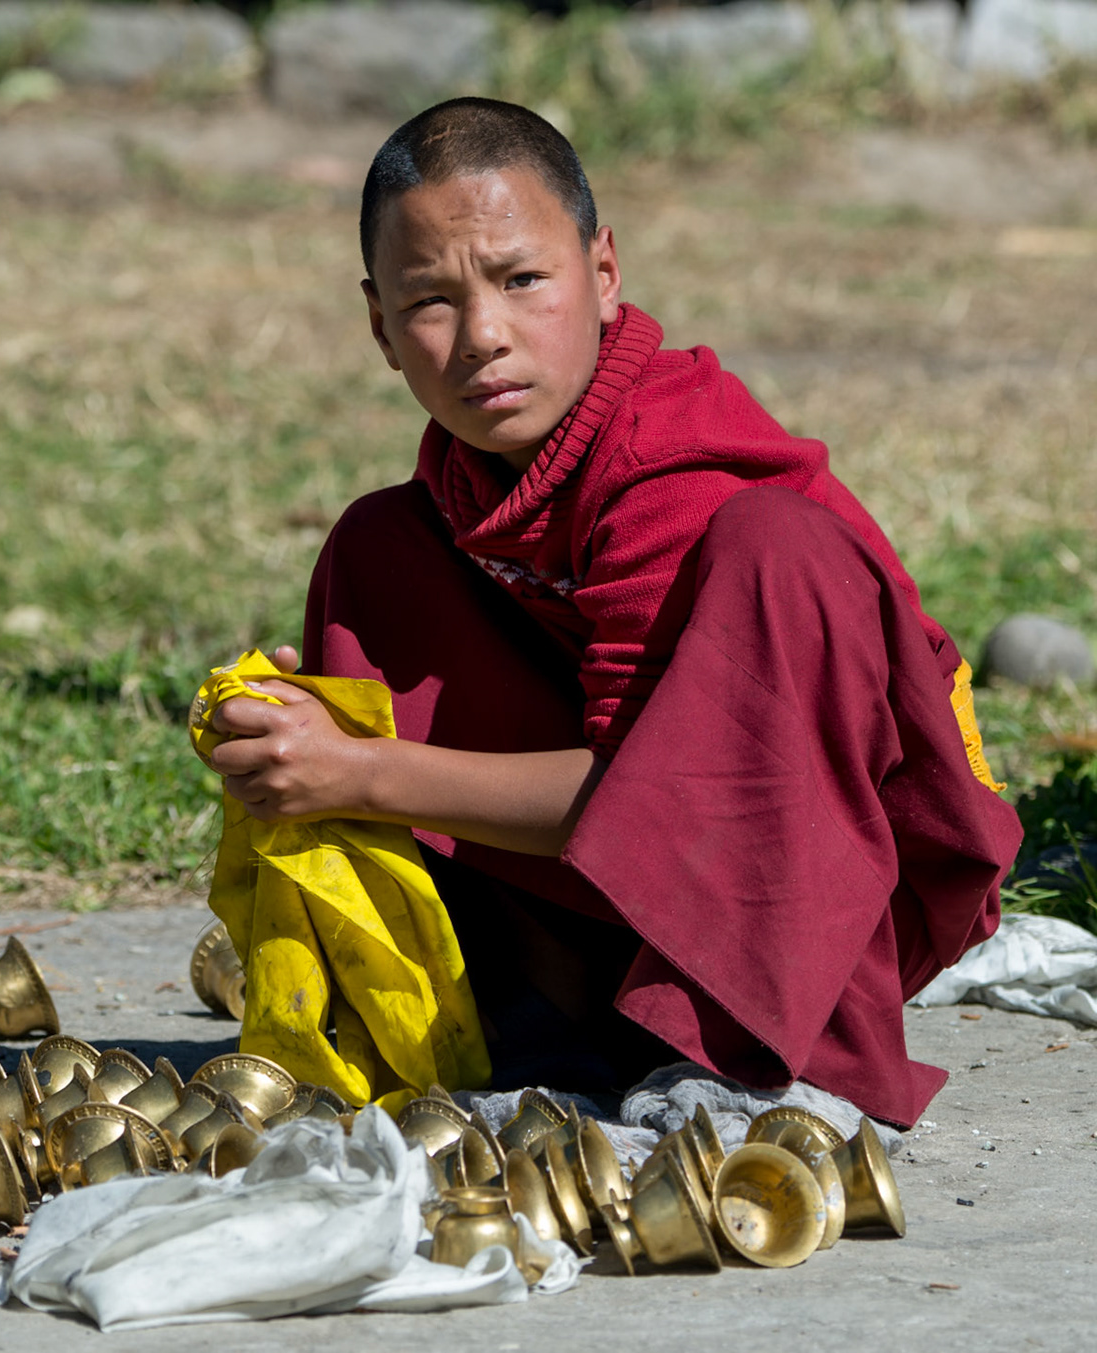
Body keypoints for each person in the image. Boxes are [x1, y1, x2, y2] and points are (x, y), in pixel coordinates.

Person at [202, 97, 1022, 1127]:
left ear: (604, 273)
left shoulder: (664, 465)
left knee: (781, 548)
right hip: (621, 885)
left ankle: (750, 1059)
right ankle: (532, 1027)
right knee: (379, 550)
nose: (483, 337)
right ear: (379, 327)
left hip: (825, 889)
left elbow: (665, 798)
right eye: (429, 302)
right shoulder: (464, 488)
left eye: (522, 279)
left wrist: (357, 766)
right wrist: (286, 735)